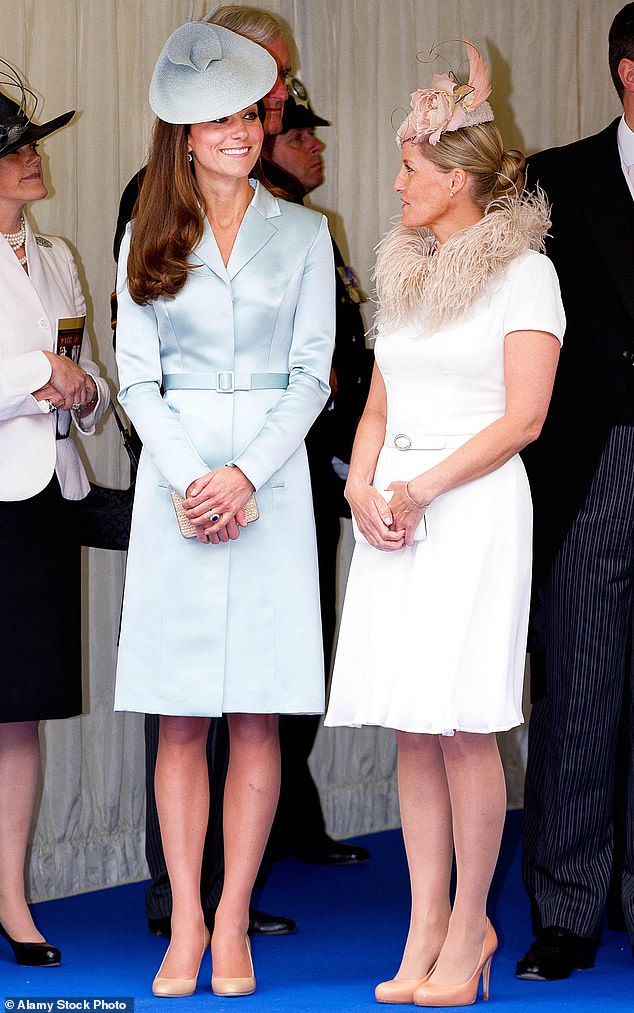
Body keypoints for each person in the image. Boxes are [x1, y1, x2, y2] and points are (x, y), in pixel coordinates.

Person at [325, 40, 565, 1006]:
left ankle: (472, 927)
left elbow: (525, 418)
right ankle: (426, 920)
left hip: (471, 512)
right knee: (411, 728)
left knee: (464, 725)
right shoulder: (407, 269)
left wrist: (421, 491)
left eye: (412, 169)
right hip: (394, 515)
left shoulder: (526, 276)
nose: (395, 184)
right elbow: (378, 404)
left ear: (461, 178)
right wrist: (362, 486)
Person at [114, 17, 334, 1000]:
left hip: (271, 490)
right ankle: (188, 920)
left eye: (249, 111)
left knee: (254, 720)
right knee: (178, 721)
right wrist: (191, 478)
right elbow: (134, 379)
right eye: (219, 118)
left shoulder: (307, 232)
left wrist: (243, 474)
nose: (241, 130)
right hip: (178, 495)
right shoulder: (146, 232)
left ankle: (235, 913)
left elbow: (312, 376)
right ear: (183, 133)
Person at [516, 2, 634, 981]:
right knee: (581, 692)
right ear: (628, 71)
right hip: (590, 465)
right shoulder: (553, 179)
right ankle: (566, 909)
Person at [0, 60, 109, 967]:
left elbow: (91, 384)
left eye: (31, 145)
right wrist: (41, 376)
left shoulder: (58, 255)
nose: (34, 159)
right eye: (16, 150)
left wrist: (81, 392)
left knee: (19, 711)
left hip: (42, 502)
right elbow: (40, 368)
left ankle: (12, 898)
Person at [265, 81, 373, 865]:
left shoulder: (310, 227)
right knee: (275, 650)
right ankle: (260, 833)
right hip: (273, 462)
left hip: (319, 463)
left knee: (310, 642)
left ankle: (291, 816)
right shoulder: (264, 226)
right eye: (298, 133)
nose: (315, 145)